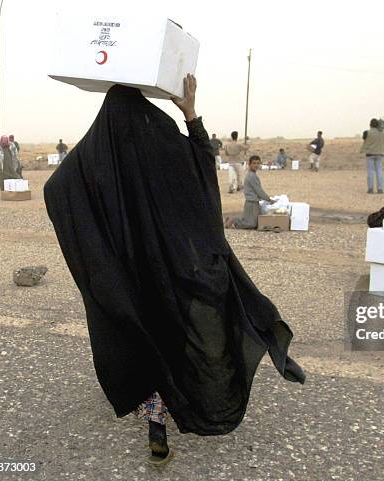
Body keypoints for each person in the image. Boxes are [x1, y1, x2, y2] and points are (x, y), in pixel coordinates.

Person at [43, 75, 304, 465]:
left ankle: (157, 426)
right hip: (176, 268)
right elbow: (202, 164)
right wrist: (190, 112)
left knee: (142, 338)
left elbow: (55, 189)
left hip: (127, 277)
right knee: (178, 334)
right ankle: (206, 386)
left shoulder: (94, 155)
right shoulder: (160, 141)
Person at [225, 155, 273, 229]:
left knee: (254, 222)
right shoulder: (251, 176)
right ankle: (233, 220)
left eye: (258, 163)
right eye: (254, 163)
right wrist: (269, 199)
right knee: (251, 224)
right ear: (249, 164)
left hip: (252, 203)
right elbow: (259, 191)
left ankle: (233, 220)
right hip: (252, 203)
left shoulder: (252, 175)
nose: (256, 165)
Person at [361, 118, 384, 194]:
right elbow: (383, 140)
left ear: (370, 124)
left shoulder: (366, 132)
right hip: (379, 154)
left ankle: (371, 189)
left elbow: (364, 139)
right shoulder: (382, 133)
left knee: (370, 171)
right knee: (379, 171)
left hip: (370, 154)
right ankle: (380, 189)